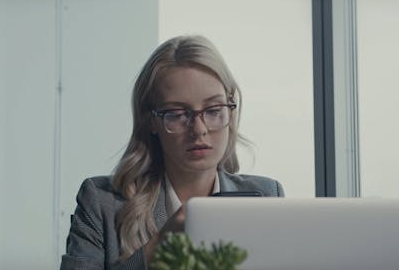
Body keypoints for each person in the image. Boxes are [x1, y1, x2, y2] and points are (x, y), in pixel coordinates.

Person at [60, 35, 284, 270]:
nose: (199, 130)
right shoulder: (102, 202)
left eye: (214, 110)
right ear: (152, 121)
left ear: (230, 109)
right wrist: (158, 247)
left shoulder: (266, 196)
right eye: (177, 114)